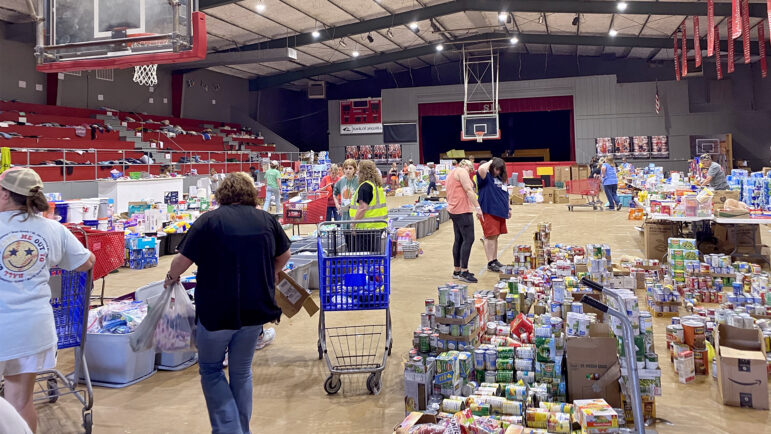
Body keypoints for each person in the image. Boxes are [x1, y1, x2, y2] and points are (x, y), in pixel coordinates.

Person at [164, 172, 290, 434]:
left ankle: (230, 429)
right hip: (255, 309)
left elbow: (181, 262)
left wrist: (171, 278)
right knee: (242, 371)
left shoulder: (208, 221)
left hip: (216, 310)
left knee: (210, 370)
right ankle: (241, 428)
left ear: (222, 195)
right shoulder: (267, 220)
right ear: (250, 194)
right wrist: (273, 271)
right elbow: (284, 254)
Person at [0, 168, 96, 432]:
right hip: (33, 328)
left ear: (6, 194)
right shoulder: (53, 228)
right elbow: (87, 262)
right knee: (20, 403)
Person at [447, 160, 484, 283]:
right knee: (469, 239)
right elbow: (469, 190)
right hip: (462, 210)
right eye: (471, 169)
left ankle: (457, 270)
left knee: (459, 239)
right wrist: (478, 208)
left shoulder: (451, 173)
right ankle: (464, 271)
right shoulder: (462, 171)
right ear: (466, 165)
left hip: (453, 209)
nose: (471, 172)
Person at [476, 158, 510, 272]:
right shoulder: (486, 178)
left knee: (495, 236)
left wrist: (508, 208)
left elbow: (506, 193)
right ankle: (490, 262)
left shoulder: (501, 178)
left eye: (500, 169)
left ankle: (495, 260)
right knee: (490, 236)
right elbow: (481, 168)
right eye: (496, 169)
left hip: (500, 212)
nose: (498, 172)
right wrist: (492, 161)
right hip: (488, 211)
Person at [349, 160, 387, 252]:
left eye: (358, 170)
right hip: (378, 226)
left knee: (365, 257)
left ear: (363, 172)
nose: (356, 172)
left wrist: (353, 223)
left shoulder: (365, 186)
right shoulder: (376, 185)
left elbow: (362, 208)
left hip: (366, 228)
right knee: (374, 255)